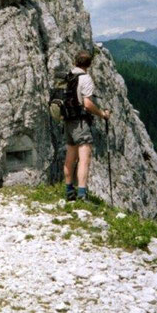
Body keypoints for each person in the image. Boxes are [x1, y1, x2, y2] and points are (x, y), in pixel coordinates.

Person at [64, 50, 110, 201]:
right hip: (81, 122)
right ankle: (82, 194)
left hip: (68, 121)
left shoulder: (69, 75)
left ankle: (69, 190)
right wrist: (102, 114)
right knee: (84, 158)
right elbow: (88, 104)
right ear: (89, 65)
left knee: (70, 157)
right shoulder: (85, 78)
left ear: (75, 61)